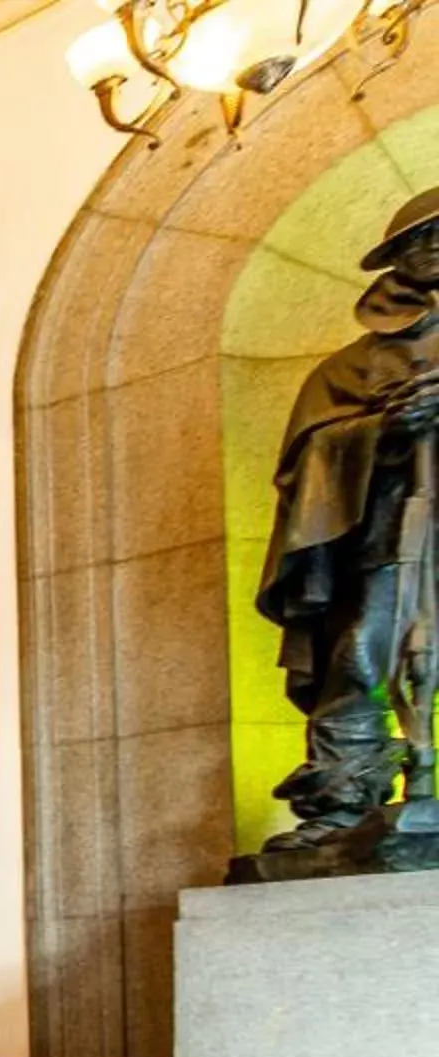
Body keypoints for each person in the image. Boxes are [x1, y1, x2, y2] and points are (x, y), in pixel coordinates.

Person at [256, 188, 439, 848]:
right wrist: (385, 431)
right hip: (397, 533)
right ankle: (341, 802)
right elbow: (309, 453)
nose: (436, 247)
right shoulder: (353, 366)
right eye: (420, 239)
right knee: (363, 650)